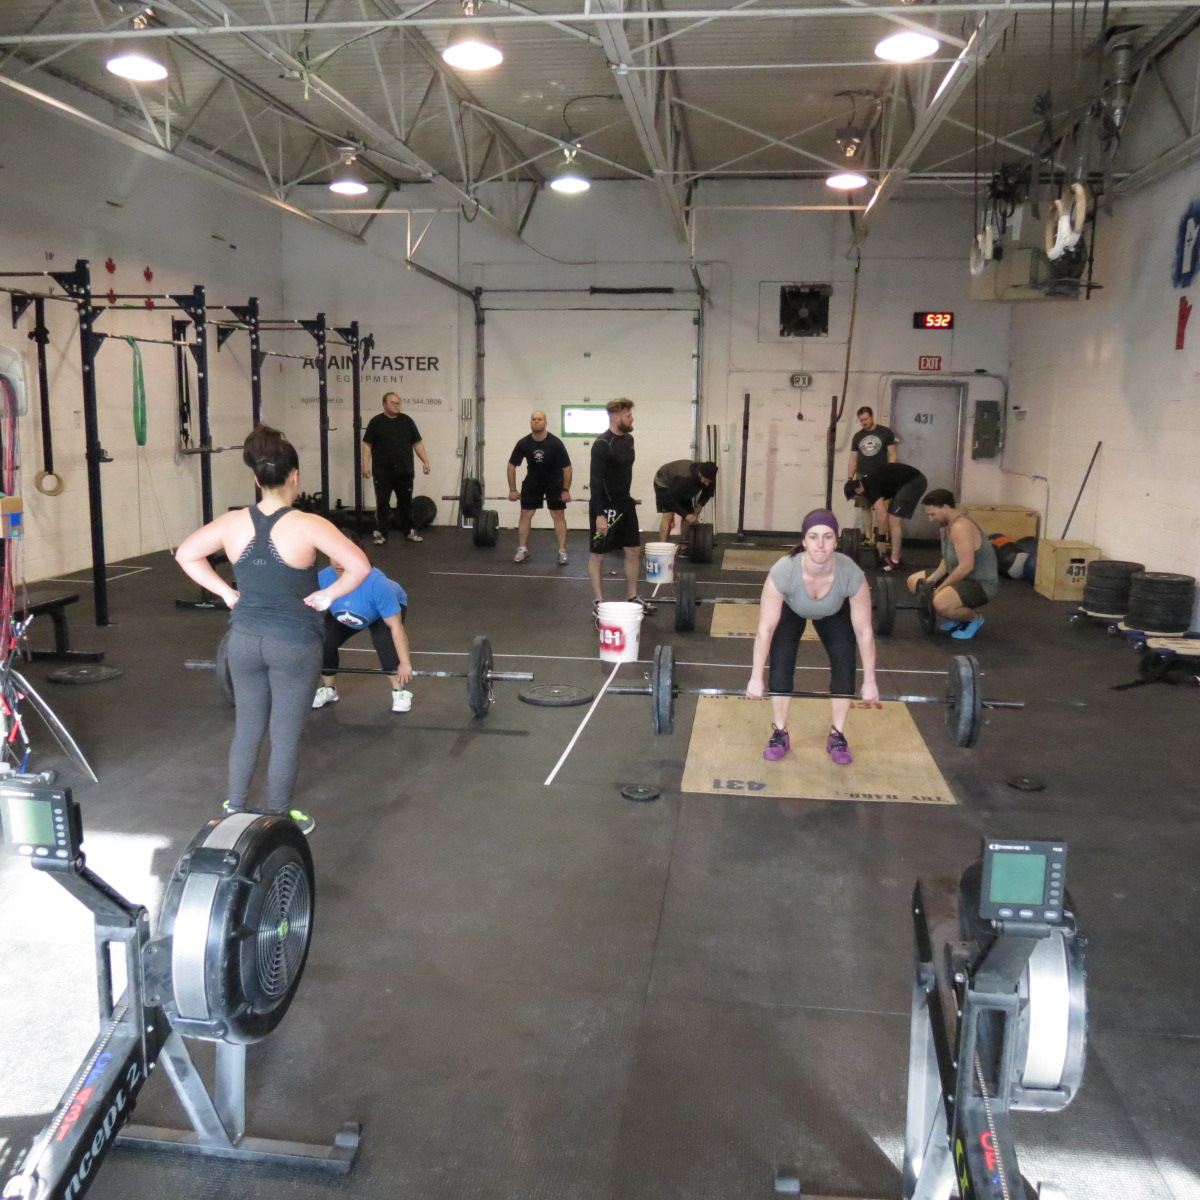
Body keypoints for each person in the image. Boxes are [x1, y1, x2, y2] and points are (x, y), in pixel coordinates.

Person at [176, 425, 371, 834]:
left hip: (243, 642)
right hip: (294, 644)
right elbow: (360, 566)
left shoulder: (232, 522)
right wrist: (328, 595)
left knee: (247, 728)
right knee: (284, 735)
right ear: (294, 476)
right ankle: (279, 817)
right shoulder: (310, 524)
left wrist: (225, 592)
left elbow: (187, 554)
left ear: (256, 477)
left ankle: (234, 811)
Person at [747, 509, 879, 765]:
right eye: (813, 537)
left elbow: (864, 631)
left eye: (827, 537)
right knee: (781, 665)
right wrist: (755, 677)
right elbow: (765, 629)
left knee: (845, 664)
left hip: (833, 611)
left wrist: (870, 681)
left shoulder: (851, 574)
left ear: (836, 541)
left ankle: (837, 735)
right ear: (804, 541)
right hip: (792, 608)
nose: (820, 544)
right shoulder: (783, 571)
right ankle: (780, 733)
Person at [312, 565, 416, 711]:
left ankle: (400, 691)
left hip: (380, 612)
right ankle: (329, 689)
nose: (339, 563)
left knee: (385, 644)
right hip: (347, 611)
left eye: (344, 559)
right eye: (336, 557)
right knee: (324, 641)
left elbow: (396, 627)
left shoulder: (378, 585)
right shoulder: (323, 577)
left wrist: (405, 663)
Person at [906, 489, 999, 640]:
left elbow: (966, 566)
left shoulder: (961, 526)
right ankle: (957, 616)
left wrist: (940, 588)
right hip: (961, 577)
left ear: (945, 507)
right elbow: (948, 559)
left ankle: (974, 619)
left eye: (932, 514)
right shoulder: (945, 525)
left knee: (941, 602)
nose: (930, 519)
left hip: (980, 583)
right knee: (914, 582)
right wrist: (932, 580)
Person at [588, 398, 650, 614]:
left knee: (633, 550)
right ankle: (598, 602)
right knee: (598, 554)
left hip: (625, 504)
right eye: (628, 415)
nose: (632, 419)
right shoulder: (602, 444)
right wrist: (599, 515)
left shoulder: (629, 440)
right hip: (605, 507)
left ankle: (632, 597)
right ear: (615, 417)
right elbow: (595, 481)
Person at [362, 392, 431, 547]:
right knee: (382, 504)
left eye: (398, 402)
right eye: (392, 402)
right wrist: (364, 465)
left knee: (406, 504)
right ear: (384, 404)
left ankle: (409, 532)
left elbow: (417, 443)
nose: (396, 405)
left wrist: (425, 461)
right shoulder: (376, 422)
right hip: (383, 472)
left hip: (404, 471)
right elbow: (367, 445)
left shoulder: (407, 421)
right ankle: (380, 533)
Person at [507, 411, 573, 565]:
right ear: (530, 422)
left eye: (540, 419)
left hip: (554, 480)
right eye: (534, 419)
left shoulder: (555, 443)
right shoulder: (523, 443)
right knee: (525, 514)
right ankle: (522, 550)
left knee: (558, 514)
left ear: (545, 423)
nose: (537, 421)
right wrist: (512, 489)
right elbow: (511, 466)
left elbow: (567, 468)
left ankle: (562, 551)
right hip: (533, 480)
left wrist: (565, 490)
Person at [844, 461, 927, 571]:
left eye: (857, 497)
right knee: (892, 517)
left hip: (914, 481)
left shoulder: (869, 487)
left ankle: (895, 561)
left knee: (894, 519)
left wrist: (881, 540)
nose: (860, 499)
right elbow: (881, 514)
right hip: (908, 481)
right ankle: (897, 556)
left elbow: (882, 514)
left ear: (858, 490)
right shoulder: (867, 482)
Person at [846, 407, 898, 545]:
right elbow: (853, 459)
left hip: (880, 474)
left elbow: (892, 454)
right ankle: (868, 537)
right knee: (865, 506)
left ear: (872, 416)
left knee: (881, 508)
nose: (864, 422)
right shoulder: (857, 436)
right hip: (863, 474)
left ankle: (880, 538)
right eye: (861, 420)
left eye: (866, 419)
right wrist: (850, 478)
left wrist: (891, 473)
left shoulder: (885, 432)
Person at [654, 459, 718, 541]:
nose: (707, 484)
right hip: (664, 482)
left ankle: (684, 544)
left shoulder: (710, 478)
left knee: (689, 514)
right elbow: (670, 500)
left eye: (709, 482)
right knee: (669, 513)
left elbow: (706, 495)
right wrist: (686, 515)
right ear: (700, 474)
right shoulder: (684, 479)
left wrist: (696, 511)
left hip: (682, 485)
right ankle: (663, 545)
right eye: (705, 481)